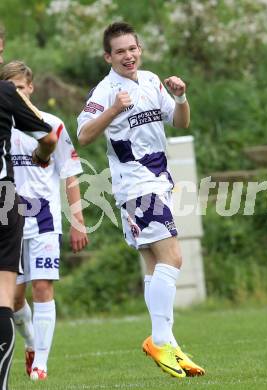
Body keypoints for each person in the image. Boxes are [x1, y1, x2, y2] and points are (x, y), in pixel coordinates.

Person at [77, 22, 205, 378]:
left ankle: (168, 341)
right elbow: (84, 135)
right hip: (136, 185)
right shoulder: (104, 91)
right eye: (120, 51)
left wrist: (180, 97)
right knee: (174, 256)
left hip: (158, 181)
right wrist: (114, 110)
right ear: (108, 57)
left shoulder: (150, 80)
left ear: (140, 50)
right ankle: (161, 339)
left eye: (132, 49)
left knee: (154, 265)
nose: (128, 56)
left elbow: (180, 122)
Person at [0, 60, 89, 381]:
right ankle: (32, 342)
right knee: (12, 298)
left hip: (45, 218)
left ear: (31, 88)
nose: (19, 94)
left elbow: (70, 175)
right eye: (13, 90)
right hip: (9, 218)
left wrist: (78, 221)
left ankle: (41, 365)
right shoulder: (3, 125)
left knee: (42, 289)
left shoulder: (51, 124)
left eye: (23, 88)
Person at [0, 27, 57, 390]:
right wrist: (41, 155)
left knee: (36, 289)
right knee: (5, 296)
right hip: (4, 198)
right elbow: (48, 139)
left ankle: (39, 357)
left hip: (36, 210)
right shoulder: (5, 93)